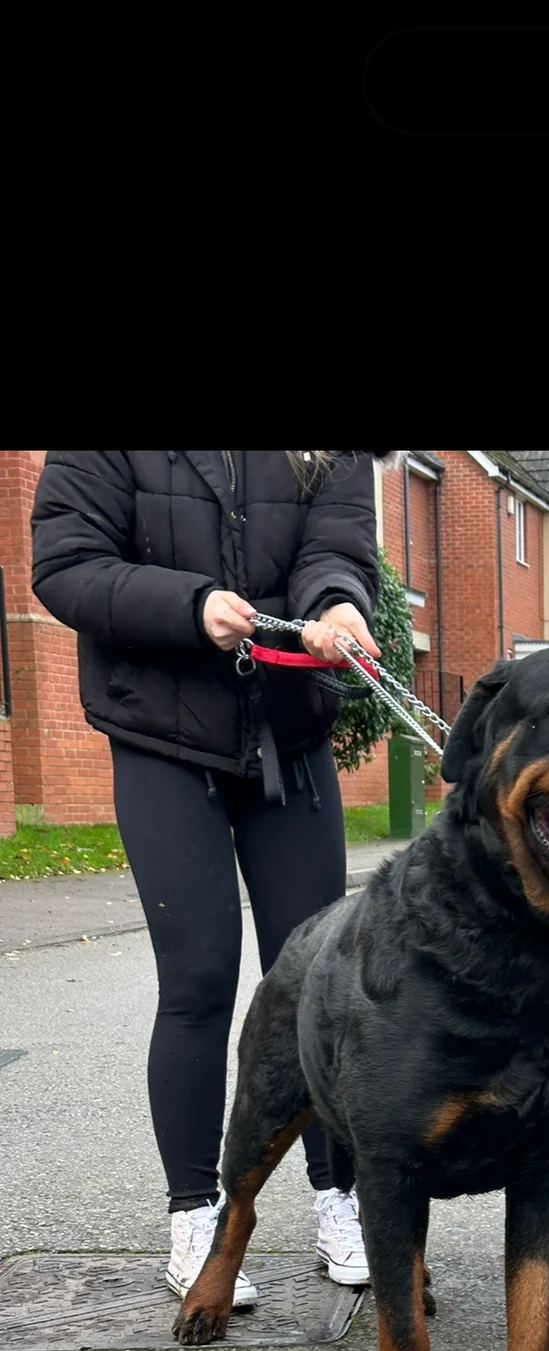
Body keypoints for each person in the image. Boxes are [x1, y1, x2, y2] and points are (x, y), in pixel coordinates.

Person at [31, 449, 401, 1307]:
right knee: (197, 981)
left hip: (289, 736)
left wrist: (336, 604)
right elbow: (67, 564)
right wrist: (191, 605)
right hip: (160, 735)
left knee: (324, 983)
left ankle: (339, 1197)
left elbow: (335, 547)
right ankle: (195, 1213)